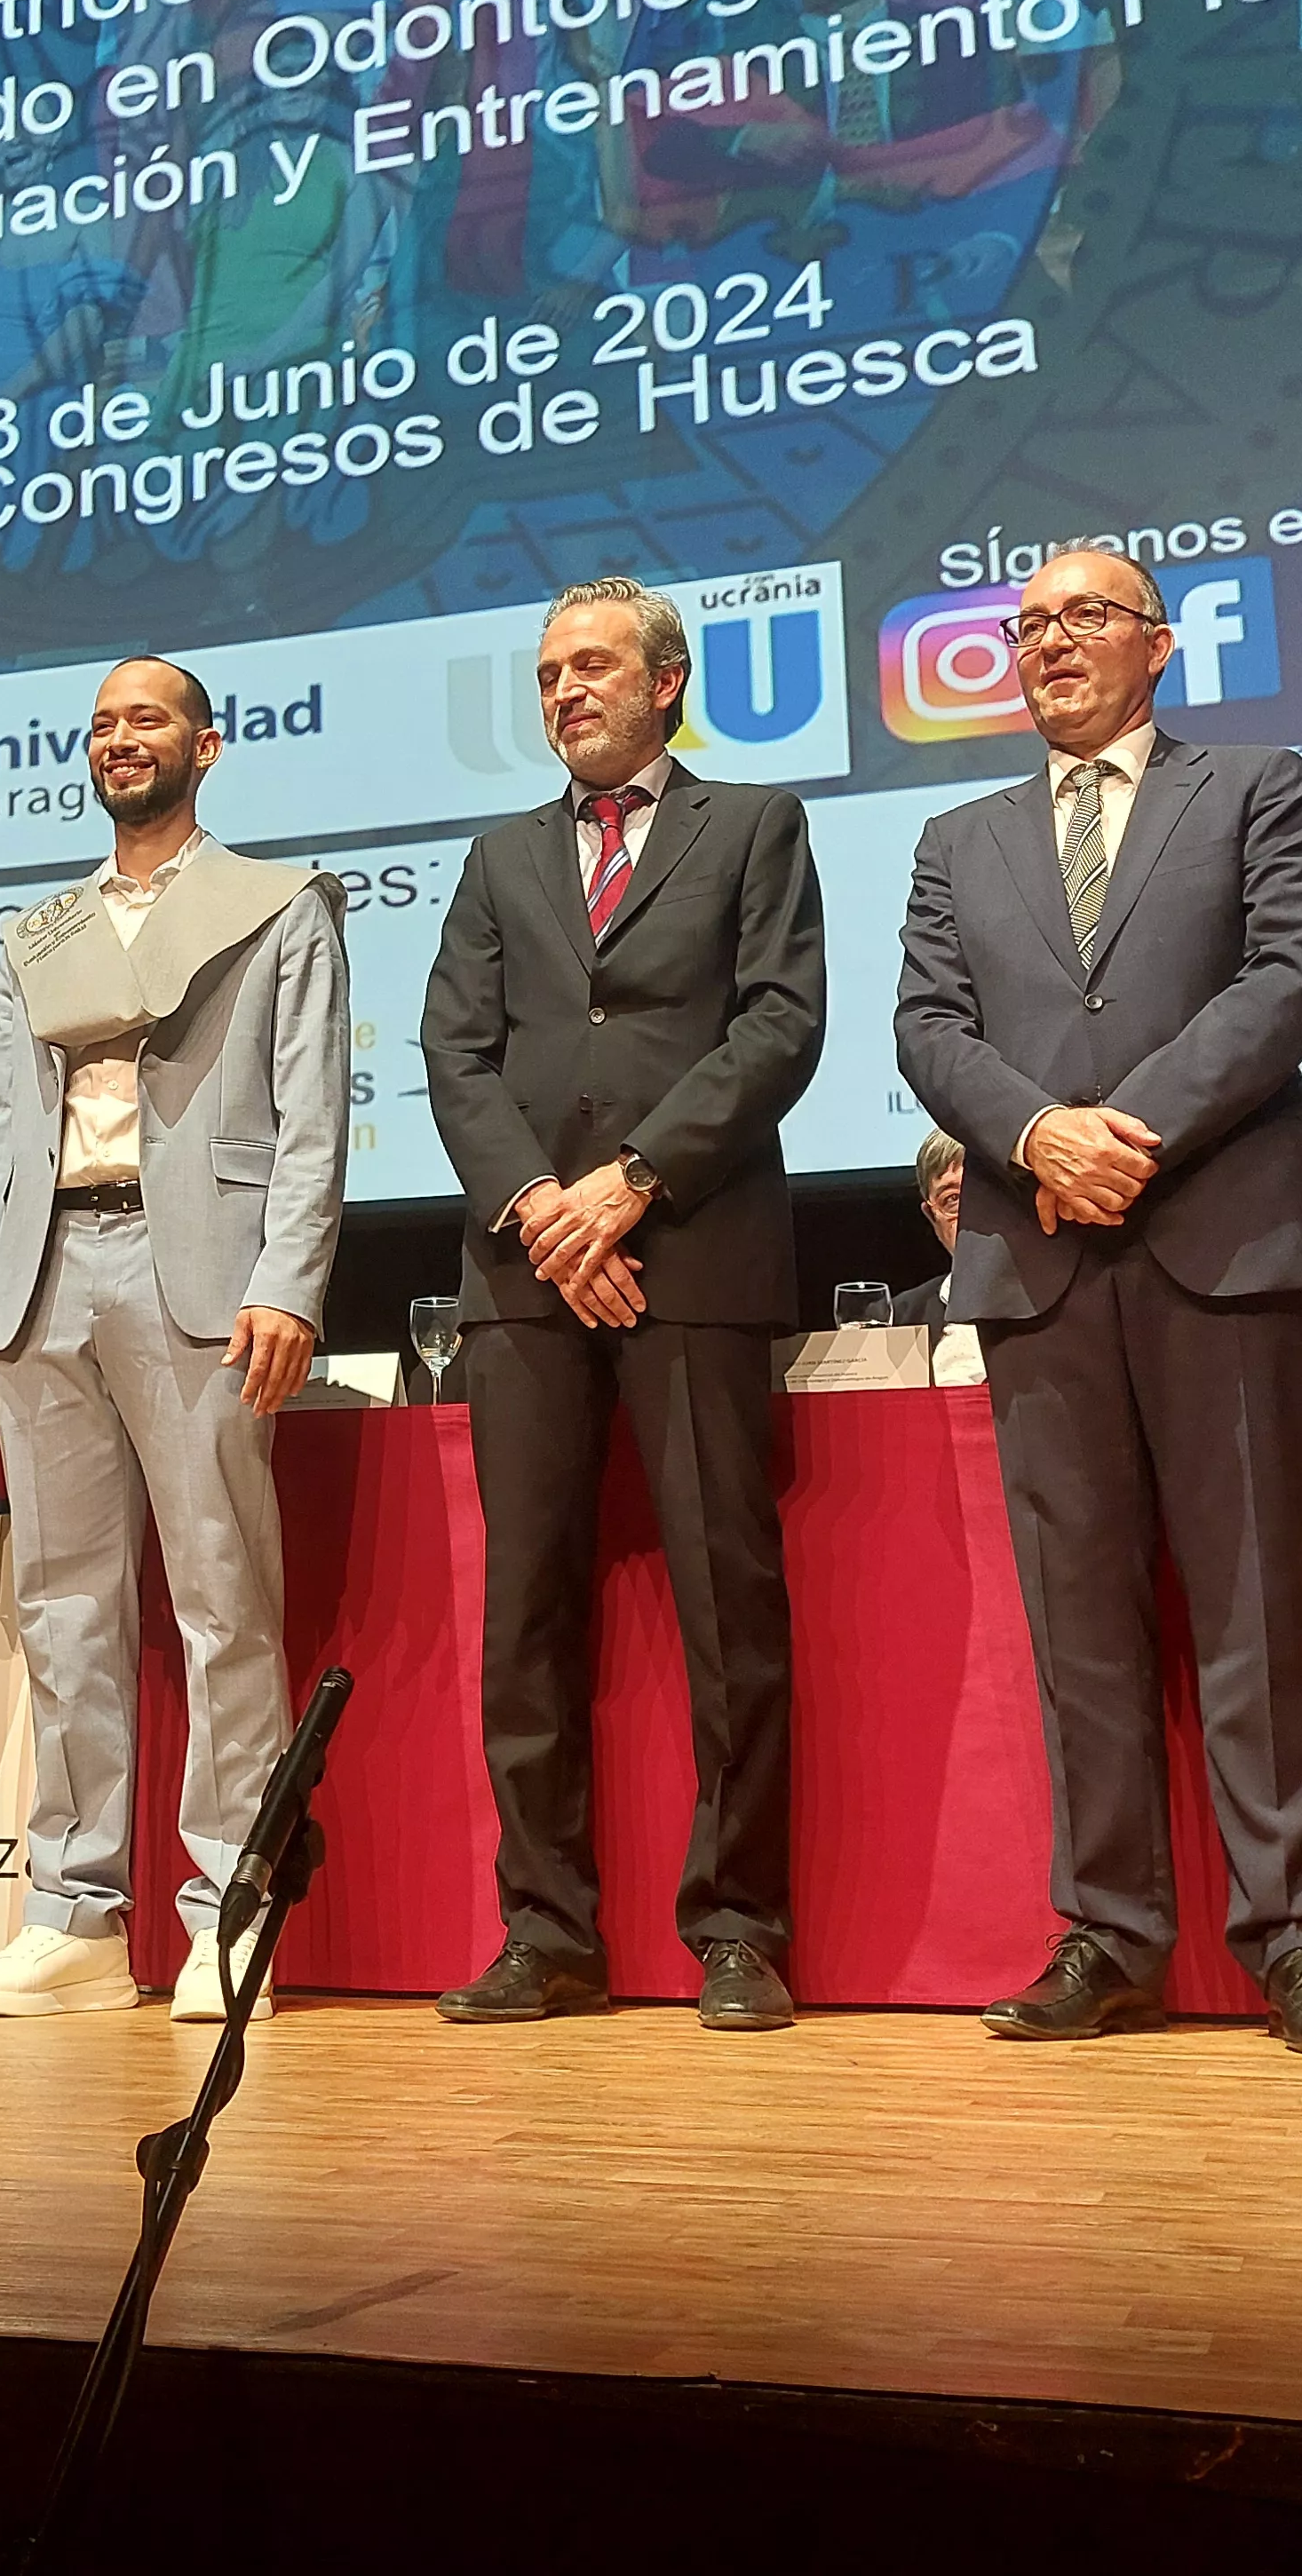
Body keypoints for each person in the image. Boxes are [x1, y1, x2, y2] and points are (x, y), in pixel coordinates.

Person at [893, 548, 1302, 2057]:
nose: (1047, 643)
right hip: (1035, 1253)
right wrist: (1037, 1137)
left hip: (1221, 1238)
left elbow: (1291, 975)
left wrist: (1123, 1131)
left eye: (1081, 617)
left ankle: (1294, 1935)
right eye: (1026, 623)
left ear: (1156, 645)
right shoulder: (953, 835)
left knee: (1247, 1606)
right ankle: (1103, 1930)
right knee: (1077, 1620)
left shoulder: (1253, 784)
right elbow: (925, 1023)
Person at [419, 578, 828, 2033]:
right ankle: (546, 1929)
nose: (561, 691)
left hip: (692, 1254)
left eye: (588, 665)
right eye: (543, 674)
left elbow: (778, 1024)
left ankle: (735, 1925)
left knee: (729, 1606)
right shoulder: (495, 856)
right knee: (522, 1610)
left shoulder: (753, 828)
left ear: (665, 682)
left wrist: (630, 1184)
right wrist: (541, 1206)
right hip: (525, 1272)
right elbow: (452, 1052)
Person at [0, 661, 350, 2022]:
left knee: (223, 1600)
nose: (122, 740)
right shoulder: (39, 929)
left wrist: (290, 1281)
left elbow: (310, 1106)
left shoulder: (279, 904)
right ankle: (75, 1918)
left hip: (205, 1277)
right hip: (48, 1272)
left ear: (207, 747)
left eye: (148, 720)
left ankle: (233, 1908)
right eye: (104, 724)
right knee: (62, 1604)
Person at [889, 1130, 988, 1385]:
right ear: (932, 1218)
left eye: (984, 1195)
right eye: (952, 1199)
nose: (970, 1212)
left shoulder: (1065, 1306)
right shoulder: (901, 1318)